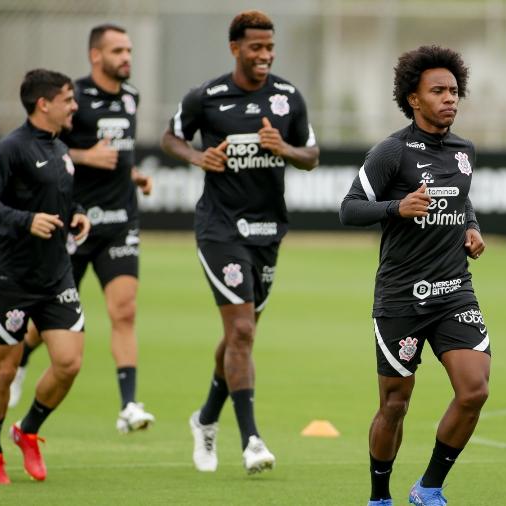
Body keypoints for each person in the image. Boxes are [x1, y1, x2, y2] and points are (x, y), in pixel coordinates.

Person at [160, 10, 319, 474]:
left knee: (238, 334)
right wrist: (196, 155)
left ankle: (205, 419)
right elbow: (170, 137)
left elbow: (310, 155)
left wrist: (283, 149)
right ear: (235, 49)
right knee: (243, 331)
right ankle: (251, 440)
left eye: (270, 47)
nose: (265, 56)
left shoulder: (289, 98)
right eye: (256, 48)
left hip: (268, 231)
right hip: (220, 228)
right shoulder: (206, 98)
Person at [340, 45, 489, 506]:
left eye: (454, 90)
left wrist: (472, 229)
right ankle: (379, 497)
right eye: (438, 91)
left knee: (474, 391)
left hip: (453, 292)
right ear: (413, 99)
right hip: (401, 298)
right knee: (395, 405)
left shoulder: (464, 151)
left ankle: (428, 487)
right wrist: (396, 208)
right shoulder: (392, 151)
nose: (450, 98)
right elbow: (349, 208)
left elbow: (461, 202)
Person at [8, 24, 156, 435]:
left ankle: (129, 405)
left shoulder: (131, 97)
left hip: (120, 221)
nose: (127, 57)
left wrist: (135, 176)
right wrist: (84, 156)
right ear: (96, 56)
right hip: (76, 223)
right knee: (46, 322)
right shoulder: (73, 99)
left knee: (124, 310)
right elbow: (45, 146)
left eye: (129, 49)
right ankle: (20, 362)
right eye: (118, 51)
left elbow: (119, 154)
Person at [0, 69, 90, 484]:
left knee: (70, 363)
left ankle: (29, 430)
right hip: (10, 279)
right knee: (4, 372)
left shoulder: (60, 148)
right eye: (69, 99)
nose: (75, 106)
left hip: (55, 277)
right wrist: (24, 221)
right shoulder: (10, 148)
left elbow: (60, 200)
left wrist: (76, 216)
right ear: (44, 104)